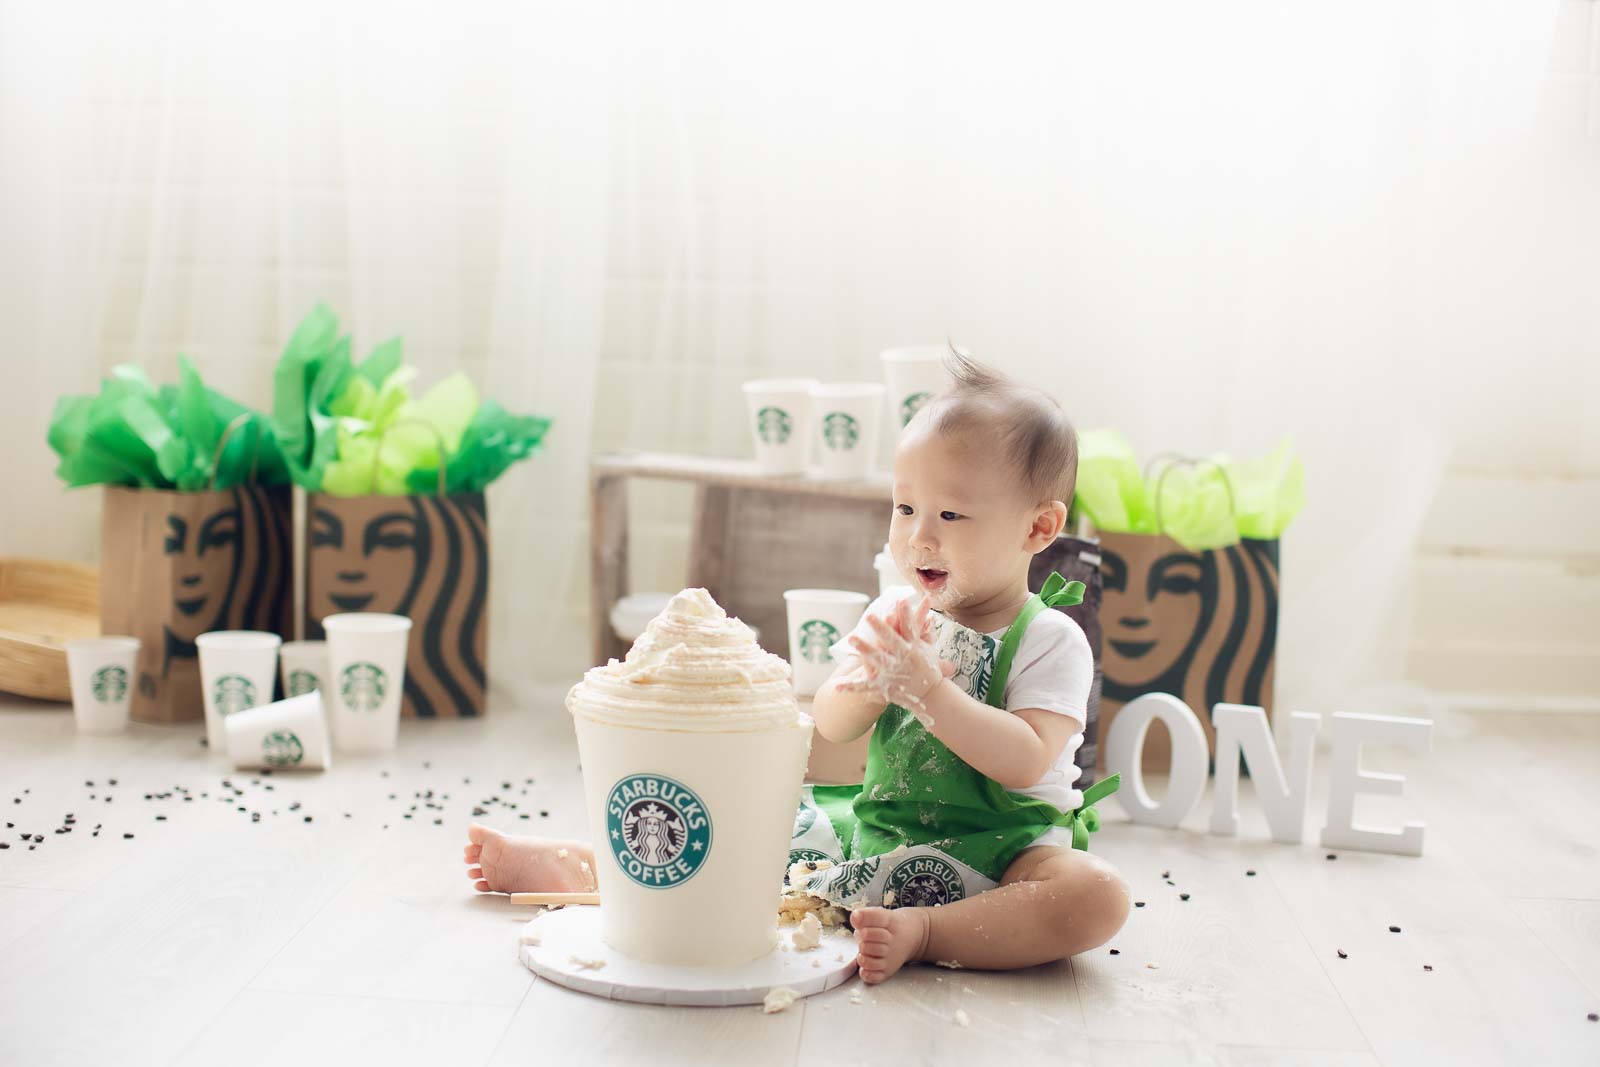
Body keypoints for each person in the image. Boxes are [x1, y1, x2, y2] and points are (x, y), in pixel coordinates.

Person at [463, 346, 1129, 984]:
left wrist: (929, 691)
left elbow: (1025, 760)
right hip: (880, 832)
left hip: (1004, 851)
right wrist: (872, 681)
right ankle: (583, 865)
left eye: (950, 513)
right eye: (904, 508)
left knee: (1096, 893)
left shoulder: (1049, 639)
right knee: (746, 829)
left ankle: (930, 931)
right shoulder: (897, 613)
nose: (918, 535)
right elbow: (834, 723)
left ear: (1038, 529)